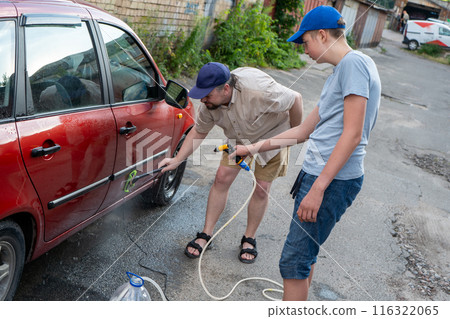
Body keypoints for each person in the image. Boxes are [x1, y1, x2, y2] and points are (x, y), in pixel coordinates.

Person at [232, 6, 381, 300]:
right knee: (306, 256)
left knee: (293, 261)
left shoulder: (354, 65)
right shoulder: (342, 72)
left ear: (322, 35)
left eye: (306, 42)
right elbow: (302, 131)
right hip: (320, 175)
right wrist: (251, 147)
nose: (305, 51)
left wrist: (318, 188)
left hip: (330, 180)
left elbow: (352, 135)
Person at [159, 62, 303, 263]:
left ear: (225, 89)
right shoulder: (210, 104)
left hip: (272, 136)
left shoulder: (259, 90)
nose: (203, 100)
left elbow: (296, 98)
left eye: (207, 95)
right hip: (238, 138)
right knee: (221, 178)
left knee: (262, 188)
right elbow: (199, 131)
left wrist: (295, 131)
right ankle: (206, 234)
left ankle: (249, 238)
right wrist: (177, 159)